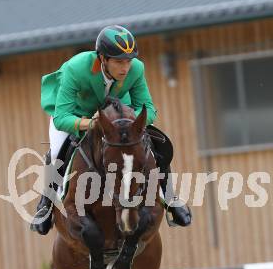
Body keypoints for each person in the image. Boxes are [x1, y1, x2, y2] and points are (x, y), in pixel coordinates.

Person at [31, 25, 191, 235]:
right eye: (118, 62)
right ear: (102, 59)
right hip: (76, 115)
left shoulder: (136, 69)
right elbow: (62, 118)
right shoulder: (76, 68)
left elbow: (149, 108)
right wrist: (90, 123)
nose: (125, 68)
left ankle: (170, 197)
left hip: (117, 117)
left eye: (128, 61)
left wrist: (132, 122)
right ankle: (46, 202)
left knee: (155, 144)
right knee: (57, 151)